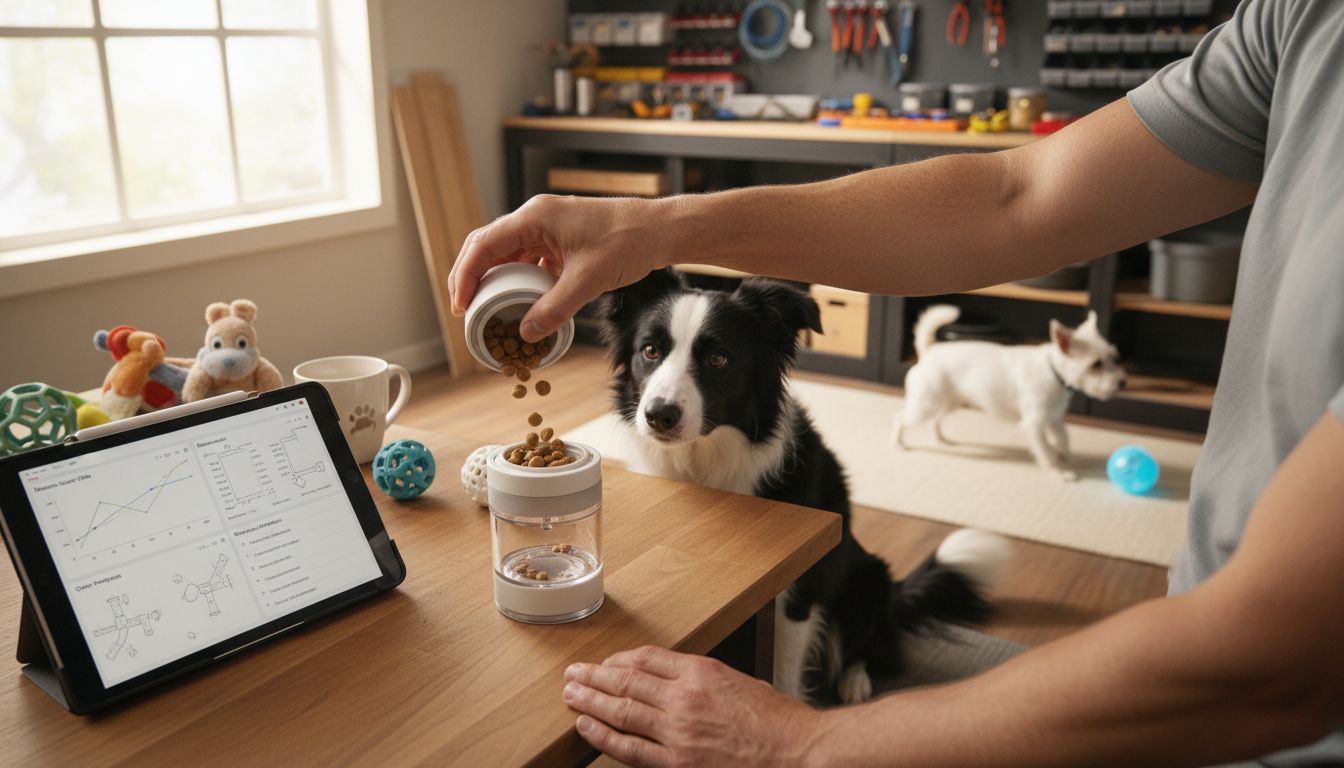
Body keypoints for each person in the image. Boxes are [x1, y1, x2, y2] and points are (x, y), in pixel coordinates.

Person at [448, 0, 1344, 764]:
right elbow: (1017, 194)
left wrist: (803, 744)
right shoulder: (1294, 21)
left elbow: (1281, 664)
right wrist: (653, 226)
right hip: (1192, 664)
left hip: (1248, 726)